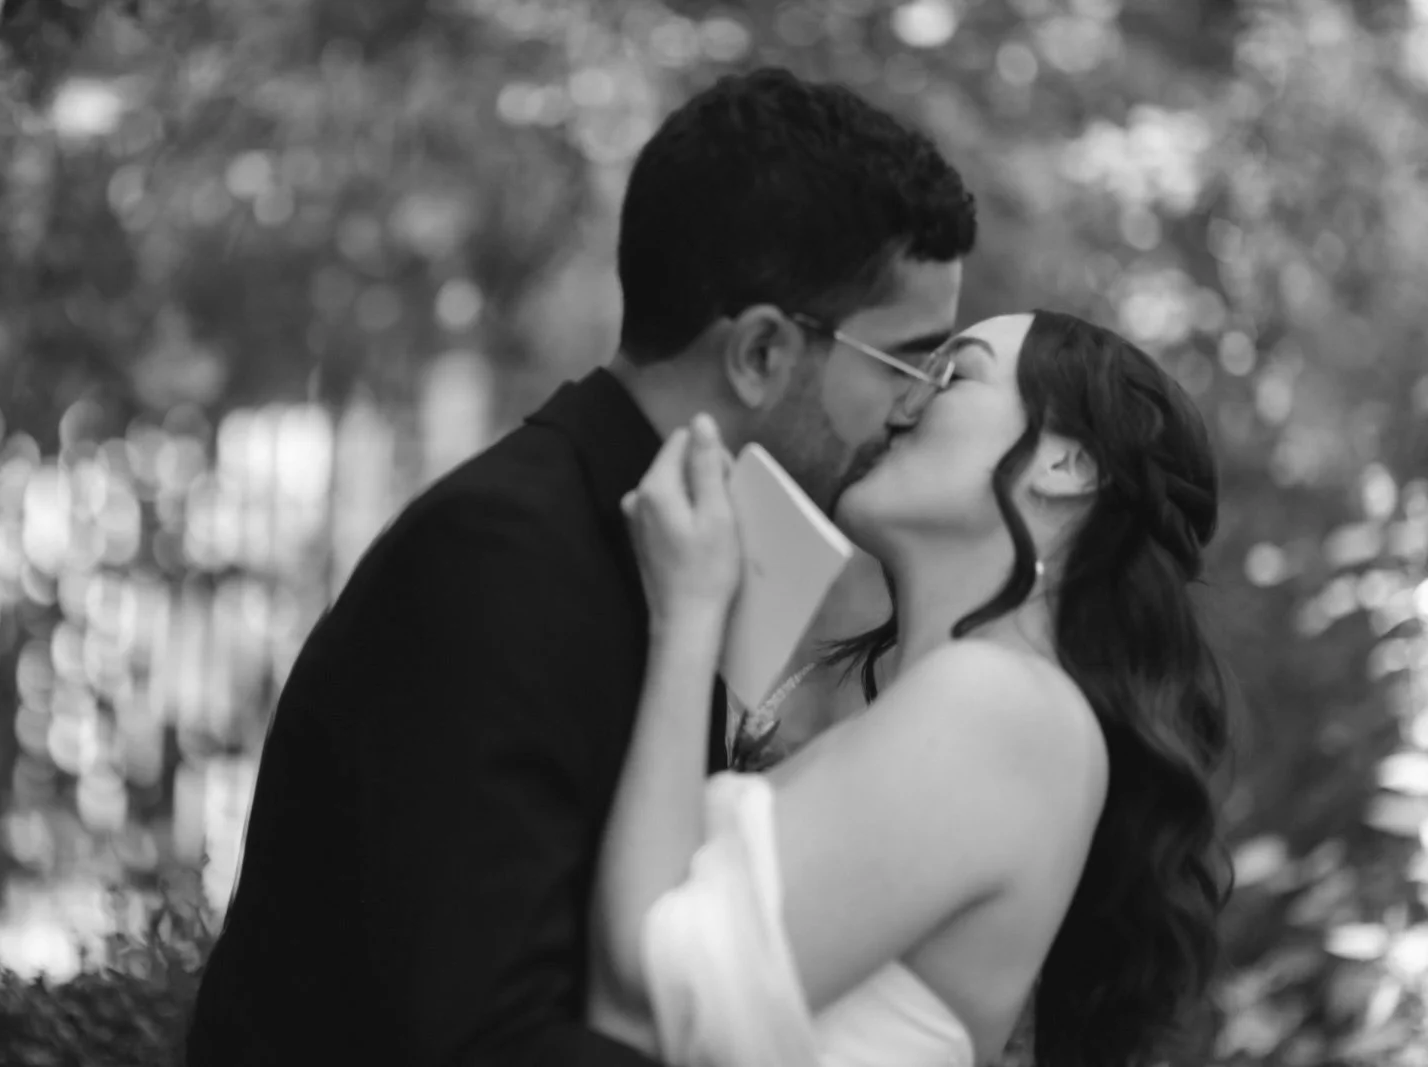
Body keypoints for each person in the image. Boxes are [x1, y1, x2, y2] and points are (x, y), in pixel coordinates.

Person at [184, 67, 977, 1066]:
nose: (919, 408)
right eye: (908, 365)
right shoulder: (497, 560)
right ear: (762, 354)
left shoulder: (683, 548)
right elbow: (488, 1032)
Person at [588, 311, 1234, 1067]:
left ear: (1069, 466)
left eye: (953, 375)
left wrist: (688, 613)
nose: (902, 400)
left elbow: (644, 990)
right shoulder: (988, 715)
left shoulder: (1005, 706)